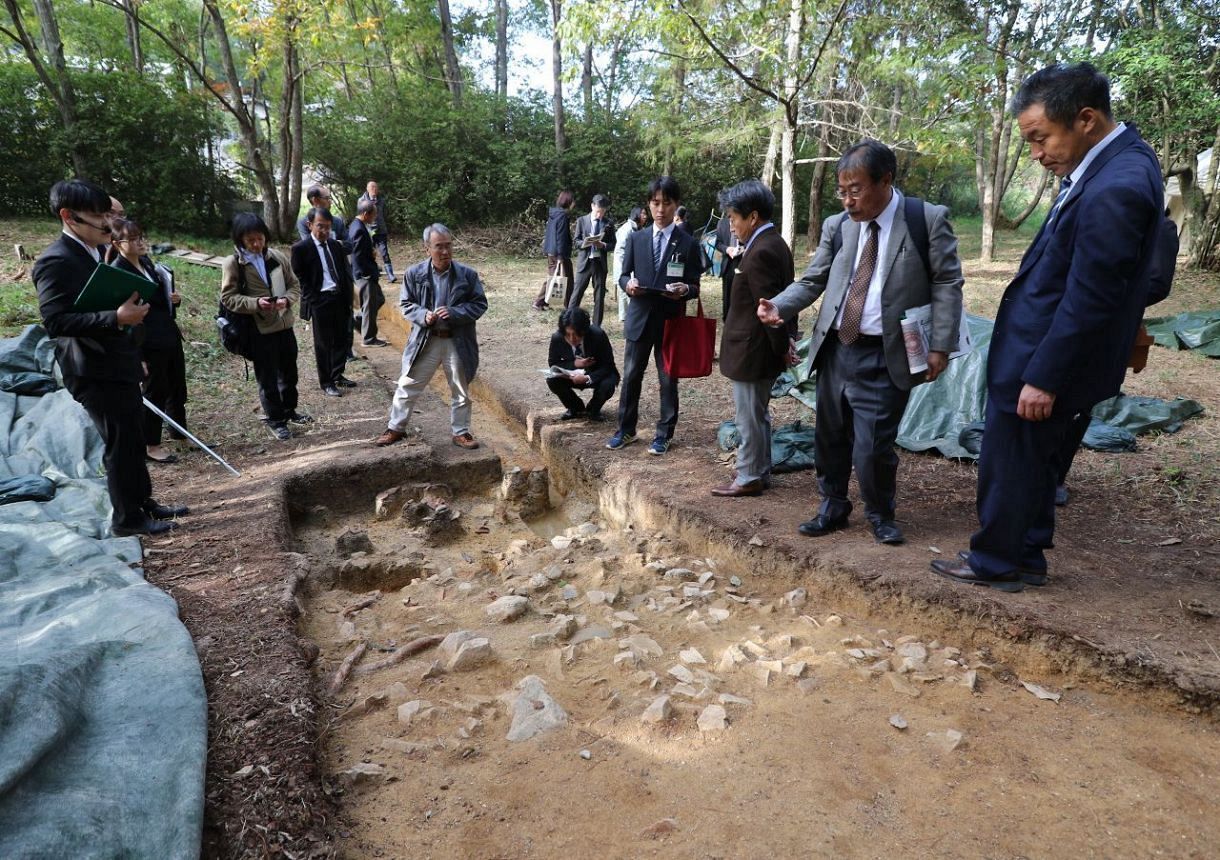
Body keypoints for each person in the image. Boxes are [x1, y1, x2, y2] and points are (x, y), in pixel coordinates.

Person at [933, 63, 1164, 592]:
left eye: (1040, 138)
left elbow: (1092, 296)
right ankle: (1029, 555)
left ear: (1085, 119)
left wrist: (1045, 376)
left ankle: (995, 561)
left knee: (1011, 460)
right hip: (1046, 350)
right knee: (1036, 462)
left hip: (1043, 359)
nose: (1036, 154)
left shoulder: (1117, 185)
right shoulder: (1114, 165)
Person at [759, 139, 964, 545]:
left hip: (887, 354)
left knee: (872, 447)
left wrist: (940, 345)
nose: (848, 200)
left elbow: (947, 282)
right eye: (842, 191)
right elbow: (814, 278)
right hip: (837, 348)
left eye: (856, 190)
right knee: (830, 437)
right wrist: (779, 306)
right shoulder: (839, 227)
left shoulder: (925, 219)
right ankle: (832, 505)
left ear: (885, 180)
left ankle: (880, 513)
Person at [33, 179, 188, 536]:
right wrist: (115, 318)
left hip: (119, 361)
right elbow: (56, 321)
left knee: (133, 437)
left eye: (108, 214)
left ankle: (142, 502)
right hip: (92, 370)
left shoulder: (93, 253)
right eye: (98, 216)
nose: (107, 223)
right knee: (120, 443)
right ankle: (126, 519)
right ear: (68, 217)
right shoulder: (56, 261)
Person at [607, 176, 703, 456]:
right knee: (632, 375)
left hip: (670, 320)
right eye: (655, 202)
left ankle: (664, 434)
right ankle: (625, 429)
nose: (660, 209)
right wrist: (628, 285)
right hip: (639, 318)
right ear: (648, 205)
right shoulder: (636, 239)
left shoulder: (687, 243)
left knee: (667, 379)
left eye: (667, 203)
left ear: (676, 205)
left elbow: (695, 284)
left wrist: (685, 289)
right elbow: (623, 274)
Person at [712, 180, 795, 497]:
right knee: (758, 413)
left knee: (748, 416)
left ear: (754, 217)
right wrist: (786, 342)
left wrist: (782, 347)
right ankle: (759, 470)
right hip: (760, 348)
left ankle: (748, 475)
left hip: (752, 350)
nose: (731, 226)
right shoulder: (775, 243)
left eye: (734, 217)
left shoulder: (761, 251)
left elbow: (769, 310)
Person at [375, 223, 488, 449]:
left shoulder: (467, 275)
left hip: (456, 339)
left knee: (460, 388)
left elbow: (479, 304)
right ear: (427, 248)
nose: (445, 252)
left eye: (448, 246)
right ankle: (395, 427)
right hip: (426, 339)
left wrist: (455, 312)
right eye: (439, 247)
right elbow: (406, 304)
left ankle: (461, 431)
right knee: (408, 384)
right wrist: (422, 315)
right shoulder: (414, 274)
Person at [110, 218, 188, 465]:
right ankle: (151, 444)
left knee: (176, 384)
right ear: (117, 243)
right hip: (147, 340)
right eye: (132, 239)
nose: (139, 243)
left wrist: (172, 298)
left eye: (141, 237)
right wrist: (137, 354)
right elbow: (123, 316)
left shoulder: (145, 262)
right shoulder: (118, 271)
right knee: (155, 390)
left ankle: (179, 431)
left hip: (167, 332)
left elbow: (158, 297)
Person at [221, 212, 305, 441]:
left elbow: (294, 284)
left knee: (289, 372)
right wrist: (256, 303)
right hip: (259, 330)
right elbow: (228, 298)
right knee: (267, 378)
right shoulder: (233, 264)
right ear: (240, 241)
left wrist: (287, 300)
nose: (257, 244)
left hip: (284, 324)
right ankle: (276, 420)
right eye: (251, 241)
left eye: (260, 239)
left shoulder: (277, 257)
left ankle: (290, 410)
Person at [291, 207, 356, 398]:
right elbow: (300, 278)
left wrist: (348, 295)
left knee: (342, 338)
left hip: (340, 297)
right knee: (324, 343)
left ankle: (337, 374)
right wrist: (314, 300)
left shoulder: (335, 245)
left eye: (328, 227)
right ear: (310, 225)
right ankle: (326, 381)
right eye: (320, 226)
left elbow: (342, 271)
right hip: (321, 301)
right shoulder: (301, 249)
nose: (325, 231)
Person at [546, 306, 619, 421]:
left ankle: (594, 409)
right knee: (552, 379)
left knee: (608, 383)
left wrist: (588, 378)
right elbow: (553, 363)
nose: (572, 339)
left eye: (576, 334)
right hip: (571, 375)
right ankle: (575, 407)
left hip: (595, 374)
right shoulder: (557, 338)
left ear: (584, 330)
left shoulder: (598, 335)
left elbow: (608, 365)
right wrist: (574, 364)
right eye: (568, 334)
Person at [568, 194, 616, 327]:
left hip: (599, 263)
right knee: (576, 294)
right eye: (598, 211)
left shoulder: (608, 223)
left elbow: (613, 243)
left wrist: (603, 245)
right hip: (585, 262)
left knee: (599, 297)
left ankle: (596, 327)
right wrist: (585, 243)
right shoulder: (582, 221)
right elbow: (576, 241)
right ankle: (569, 322)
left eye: (603, 212)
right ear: (592, 206)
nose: (600, 214)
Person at [350, 199, 388, 347]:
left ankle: (359, 319)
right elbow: (357, 256)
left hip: (367, 273)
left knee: (379, 299)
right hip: (365, 274)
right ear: (366, 214)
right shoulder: (358, 229)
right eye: (374, 215)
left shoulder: (358, 225)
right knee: (370, 305)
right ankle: (369, 338)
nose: (375, 217)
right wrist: (366, 274)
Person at [535, 190, 574, 311]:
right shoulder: (562, 216)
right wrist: (561, 256)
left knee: (553, 276)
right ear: (569, 202)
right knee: (567, 279)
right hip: (558, 252)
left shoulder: (554, 213)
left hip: (551, 250)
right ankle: (570, 305)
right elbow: (560, 236)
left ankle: (541, 302)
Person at [612, 205, 647, 323]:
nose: (645, 216)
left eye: (645, 214)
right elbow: (620, 251)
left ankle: (632, 316)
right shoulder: (626, 229)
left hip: (635, 265)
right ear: (636, 215)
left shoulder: (640, 229)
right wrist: (624, 268)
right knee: (624, 290)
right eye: (643, 213)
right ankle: (624, 317)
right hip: (623, 265)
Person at [358, 180, 395, 282]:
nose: (375, 189)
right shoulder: (361, 201)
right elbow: (361, 216)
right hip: (369, 231)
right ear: (367, 189)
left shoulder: (381, 200)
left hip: (381, 230)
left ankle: (390, 275)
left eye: (376, 187)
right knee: (370, 252)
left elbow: (384, 213)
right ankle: (374, 271)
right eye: (372, 187)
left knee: (384, 252)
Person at [296, 185, 348, 250]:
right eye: (327, 198)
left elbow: (349, 245)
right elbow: (309, 246)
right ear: (315, 200)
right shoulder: (303, 222)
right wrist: (337, 243)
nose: (330, 201)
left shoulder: (337, 221)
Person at [713, 212, 743, 319]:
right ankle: (727, 319)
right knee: (727, 296)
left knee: (740, 293)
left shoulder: (743, 219)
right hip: (727, 264)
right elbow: (717, 243)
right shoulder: (722, 223)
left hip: (742, 262)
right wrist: (727, 249)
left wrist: (741, 249)